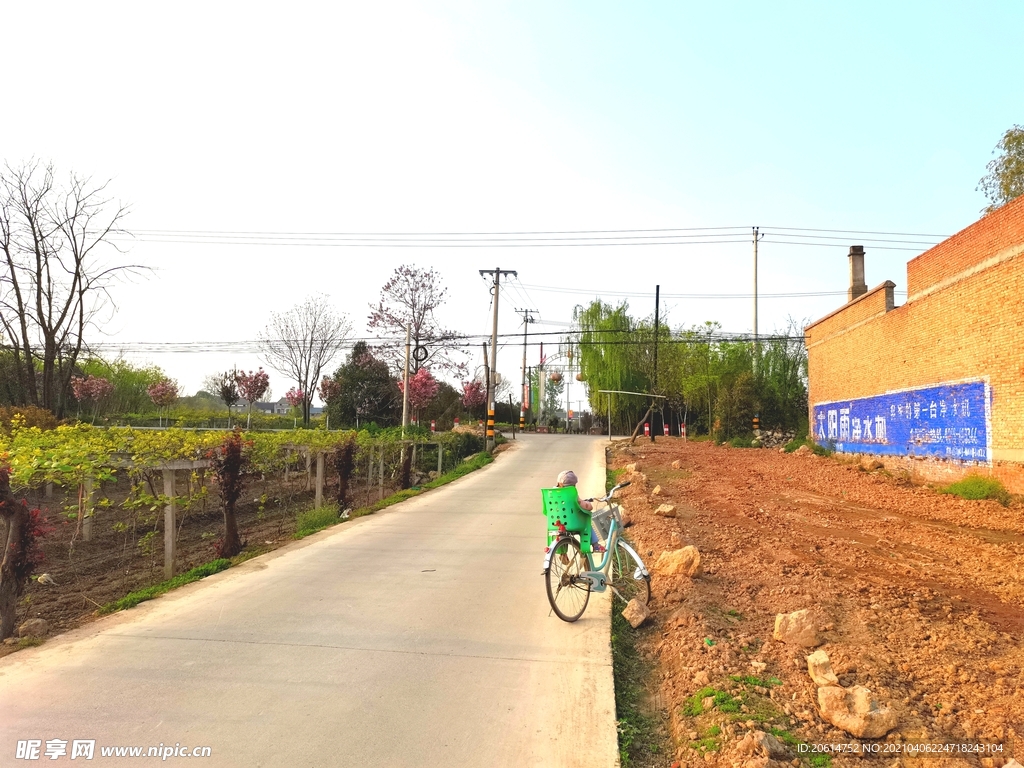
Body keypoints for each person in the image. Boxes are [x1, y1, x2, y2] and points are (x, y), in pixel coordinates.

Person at [555, 470, 604, 553]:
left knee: (563, 530)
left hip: (558, 523)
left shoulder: (553, 494)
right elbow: (586, 506)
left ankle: (562, 553)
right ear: (573, 486)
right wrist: (588, 504)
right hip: (572, 523)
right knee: (586, 522)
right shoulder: (572, 495)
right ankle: (595, 545)